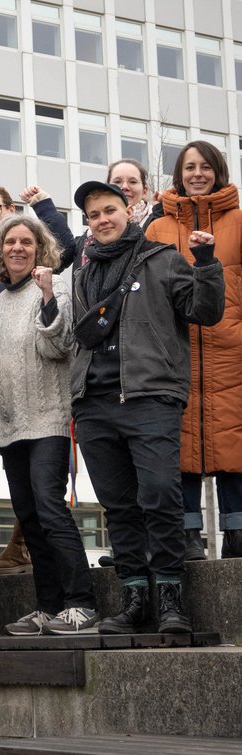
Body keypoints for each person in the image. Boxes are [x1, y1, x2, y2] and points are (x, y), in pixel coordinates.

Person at [71, 181, 224, 634]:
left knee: (159, 495)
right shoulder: (83, 273)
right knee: (118, 506)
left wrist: (208, 263)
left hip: (149, 395)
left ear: (130, 211)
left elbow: (205, 311)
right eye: (94, 214)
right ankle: (135, 599)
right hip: (93, 402)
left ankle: (171, 601)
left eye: (109, 210)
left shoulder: (163, 259)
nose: (102, 219)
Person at [0, 216, 98, 635]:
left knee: (51, 509)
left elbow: (59, 345)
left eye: (25, 242)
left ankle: (82, 601)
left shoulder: (57, 285)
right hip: (9, 423)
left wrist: (47, 296)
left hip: (47, 417)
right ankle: (48, 606)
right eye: (9, 241)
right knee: (28, 517)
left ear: (39, 248)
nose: (17, 248)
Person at [145, 141, 242, 560]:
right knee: (180, 448)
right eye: (189, 167)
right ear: (179, 174)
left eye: (205, 166)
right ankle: (187, 536)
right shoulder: (158, 228)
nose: (197, 174)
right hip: (177, 352)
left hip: (232, 351)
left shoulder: (239, 221)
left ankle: (238, 533)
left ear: (217, 170)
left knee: (233, 444)